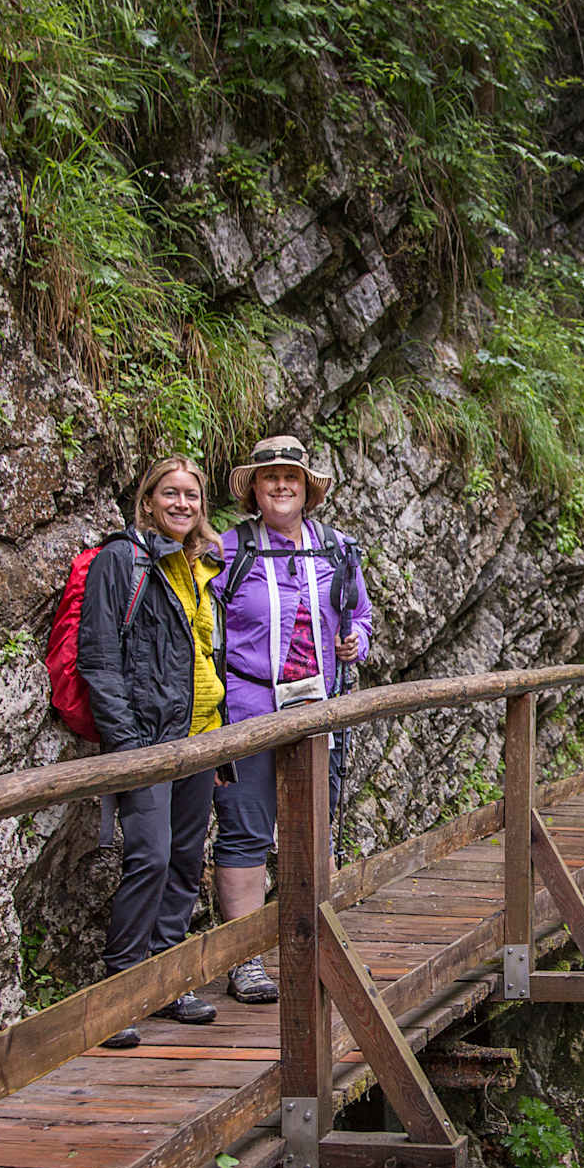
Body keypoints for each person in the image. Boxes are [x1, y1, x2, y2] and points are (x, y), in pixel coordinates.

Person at [212, 435, 372, 1002]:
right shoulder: (228, 550)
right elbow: (204, 630)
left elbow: (359, 614)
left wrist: (357, 641)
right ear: (254, 489)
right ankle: (246, 960)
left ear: (307, 489)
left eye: (291, 477)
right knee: (245, 830)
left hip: (317, 709)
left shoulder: (336, 549)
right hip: (249, 708)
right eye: (270, 477)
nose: (281, 485)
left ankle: (311, 943)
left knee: (313, 828)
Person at [77, 455, 228, 1047]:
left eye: (192, 495)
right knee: (151, 858)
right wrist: (129, 744)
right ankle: (120, 992)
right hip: (146, 741)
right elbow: (99, 656)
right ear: (148, 500)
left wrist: (219, 743)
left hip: (200, 737)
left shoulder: (198, 565)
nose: (182, 504)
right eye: (171, 493)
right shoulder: (124, 559)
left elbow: (204, 654)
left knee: (188, 859)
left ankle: (167, 983)